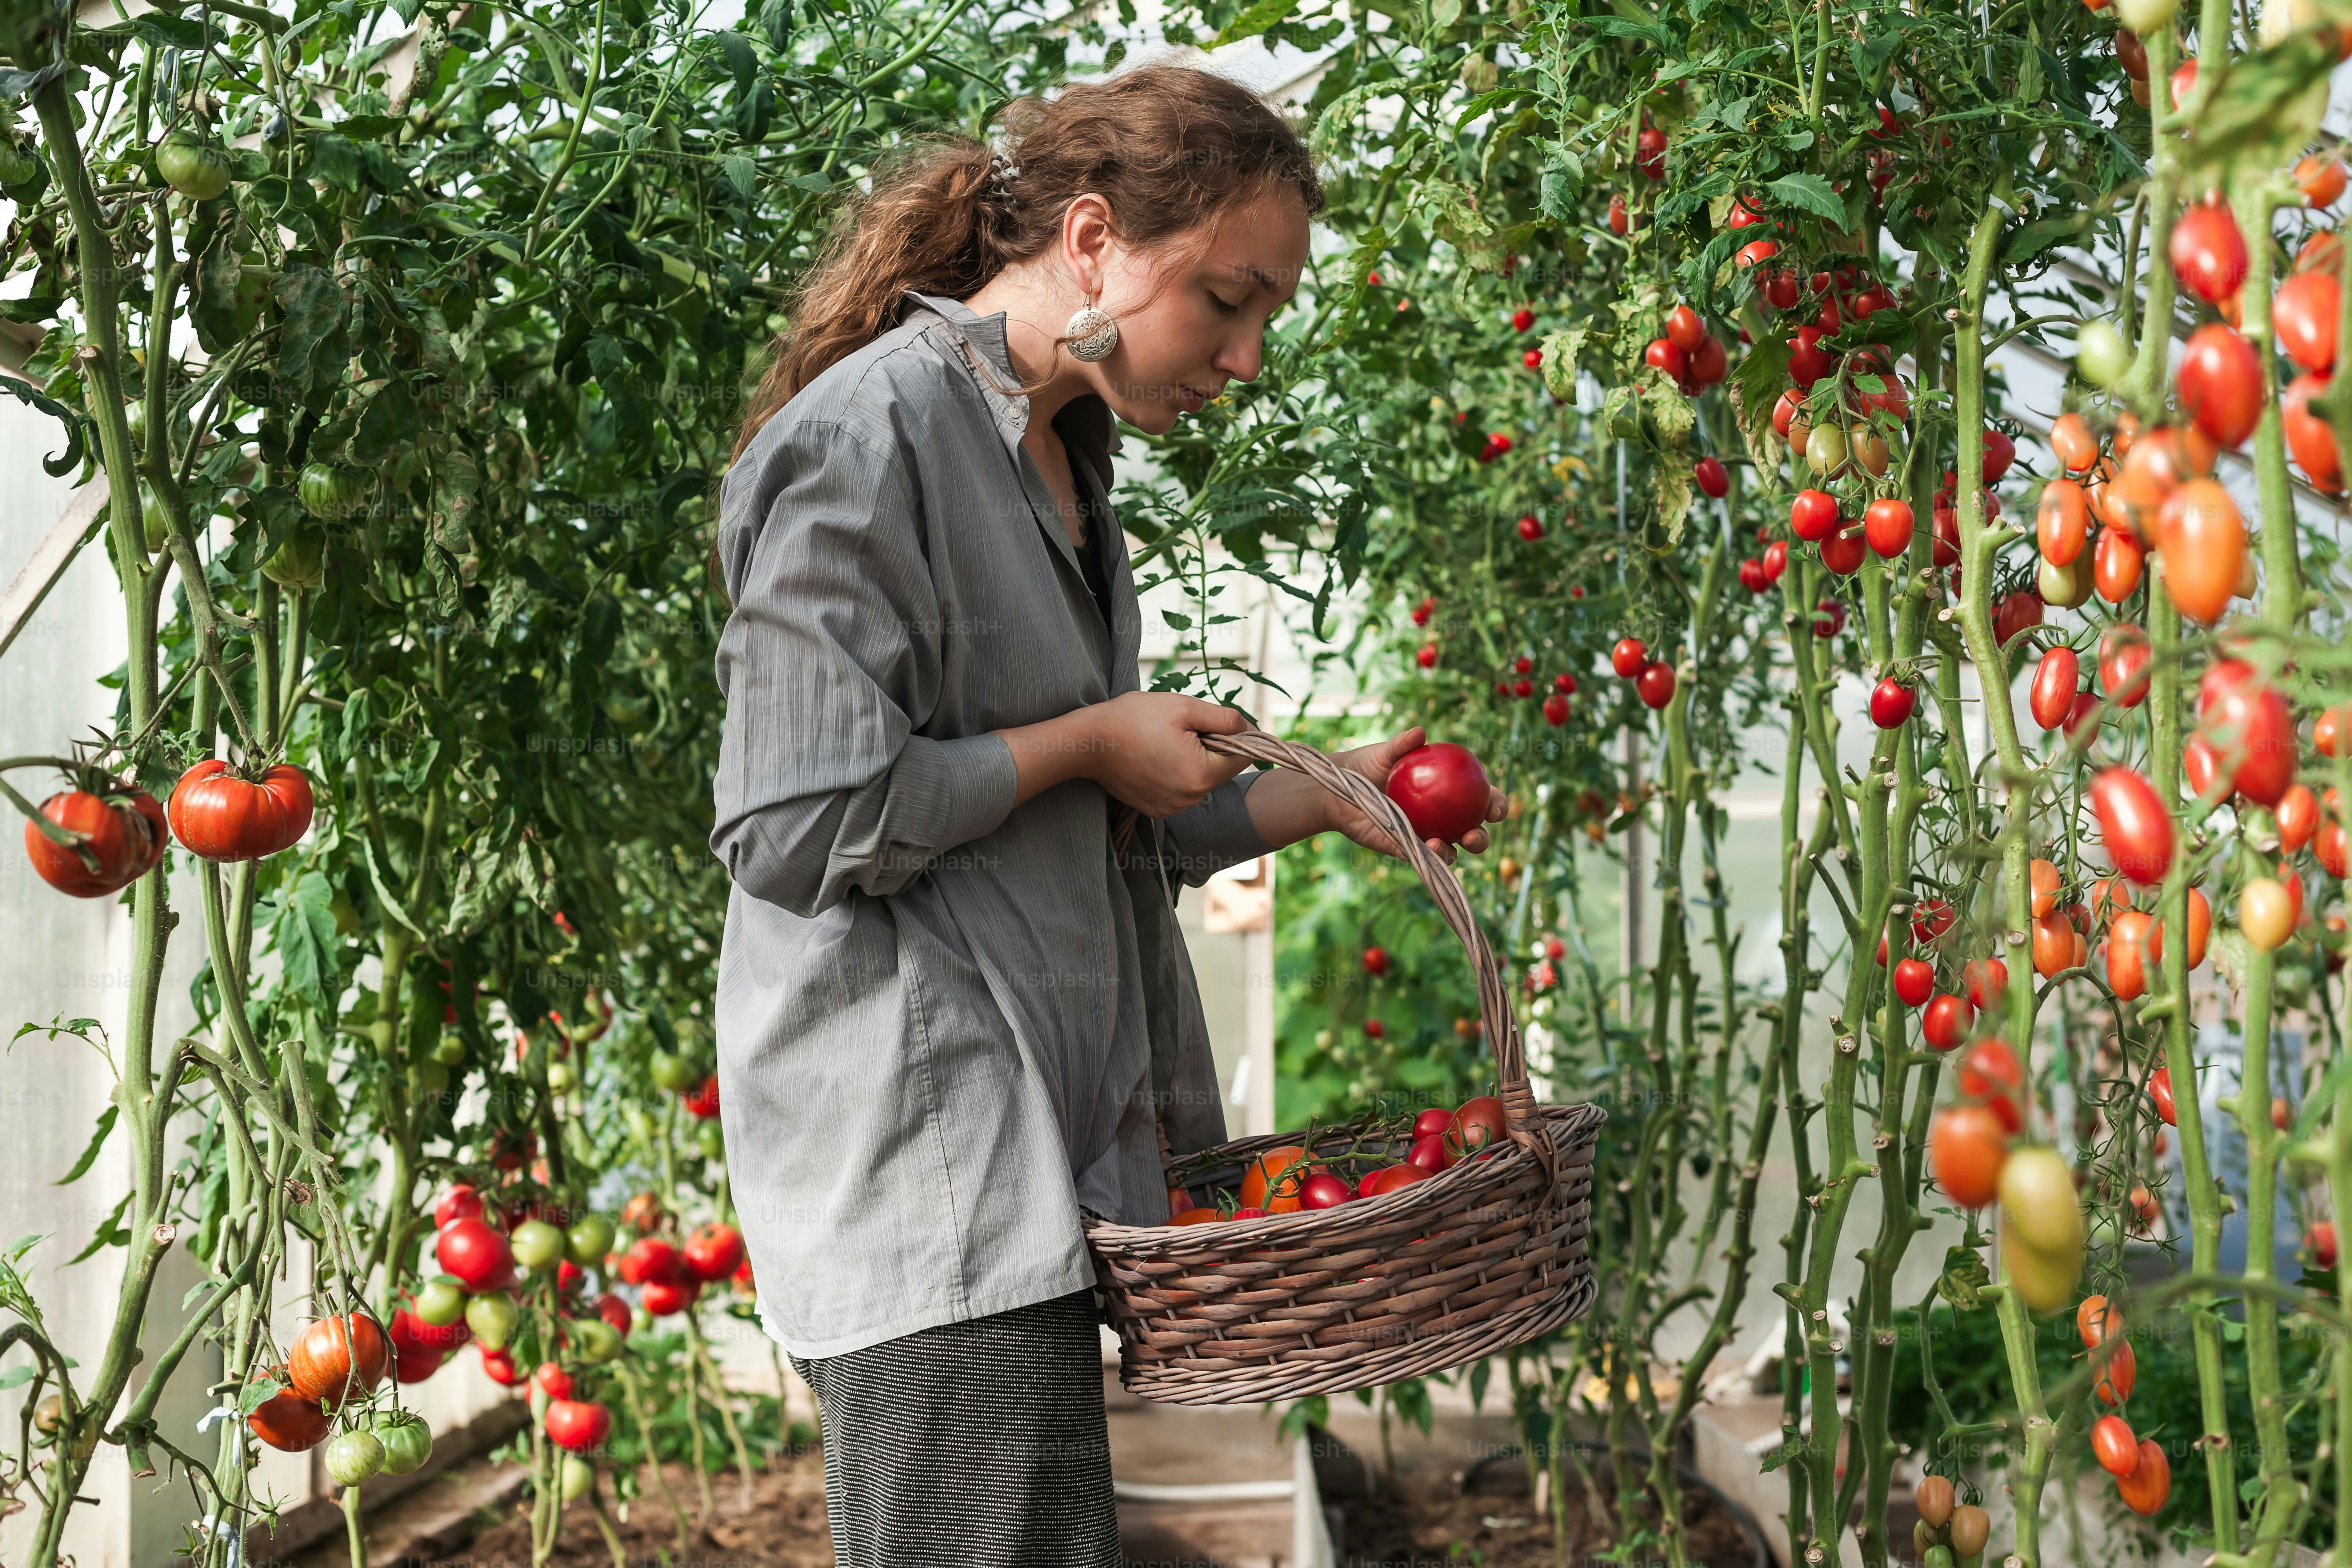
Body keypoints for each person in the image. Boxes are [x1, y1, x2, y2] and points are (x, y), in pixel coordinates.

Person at [706, 62, 1503, 1568]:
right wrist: (1087, 739)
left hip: (1035, 1163)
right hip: (926, 1171)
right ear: (1093, 240)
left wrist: (1326, 797)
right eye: (1227, 298)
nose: (1247, 356)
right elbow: (797, 823)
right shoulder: (870, 440)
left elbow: (1090, 824)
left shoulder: (1066, 460)